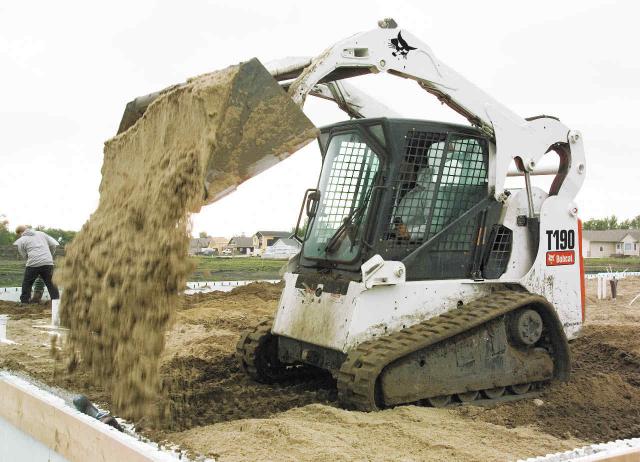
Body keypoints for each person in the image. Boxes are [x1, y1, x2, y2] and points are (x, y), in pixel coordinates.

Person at [13, 225, 60, 304]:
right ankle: (56, 302)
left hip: (33, 264)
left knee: (27, 283)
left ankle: (24, 302)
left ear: (20, 232)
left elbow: (23, 254)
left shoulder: (21, 240)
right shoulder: (41, 234)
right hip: (47, 263)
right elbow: (53, 245)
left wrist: (31, 258)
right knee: (51, 283)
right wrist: (49, 255)